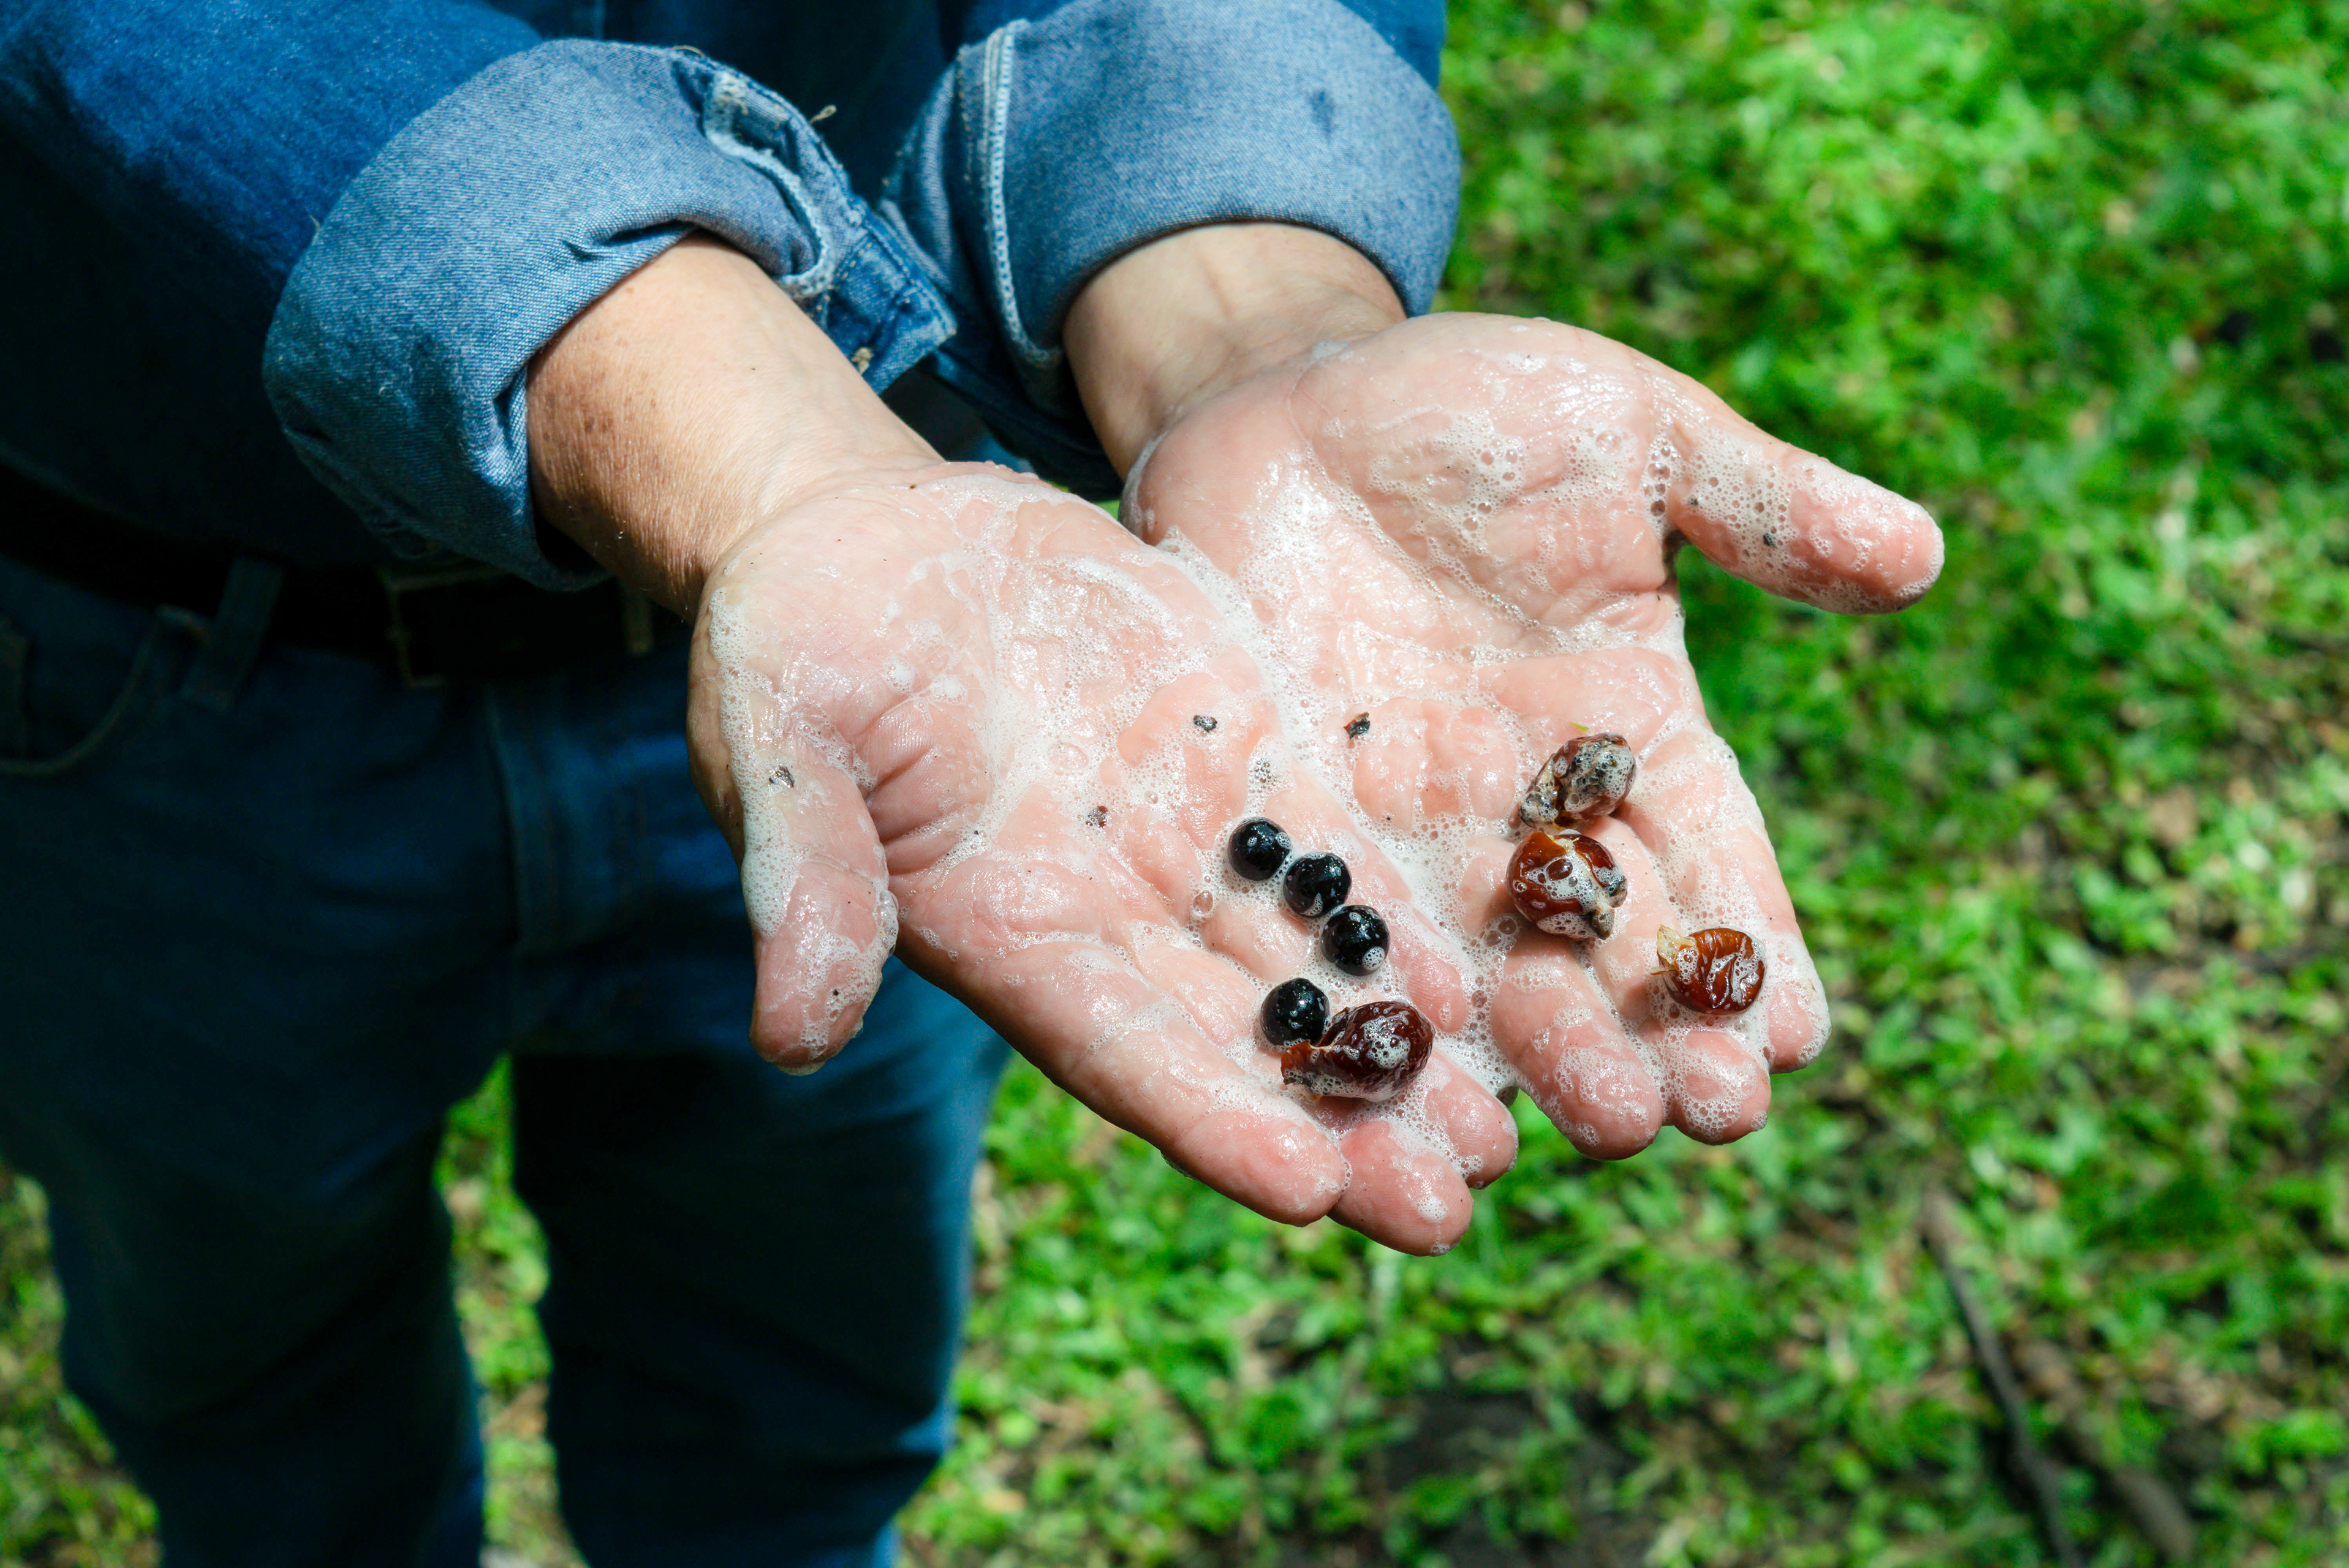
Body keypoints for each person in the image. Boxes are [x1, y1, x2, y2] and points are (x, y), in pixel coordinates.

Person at [0, 1, 1945, 1564]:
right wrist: (723, 428)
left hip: (926, 646)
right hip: (143, 653)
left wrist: (1252, 316)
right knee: (243, 1379)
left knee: (795, 1371)